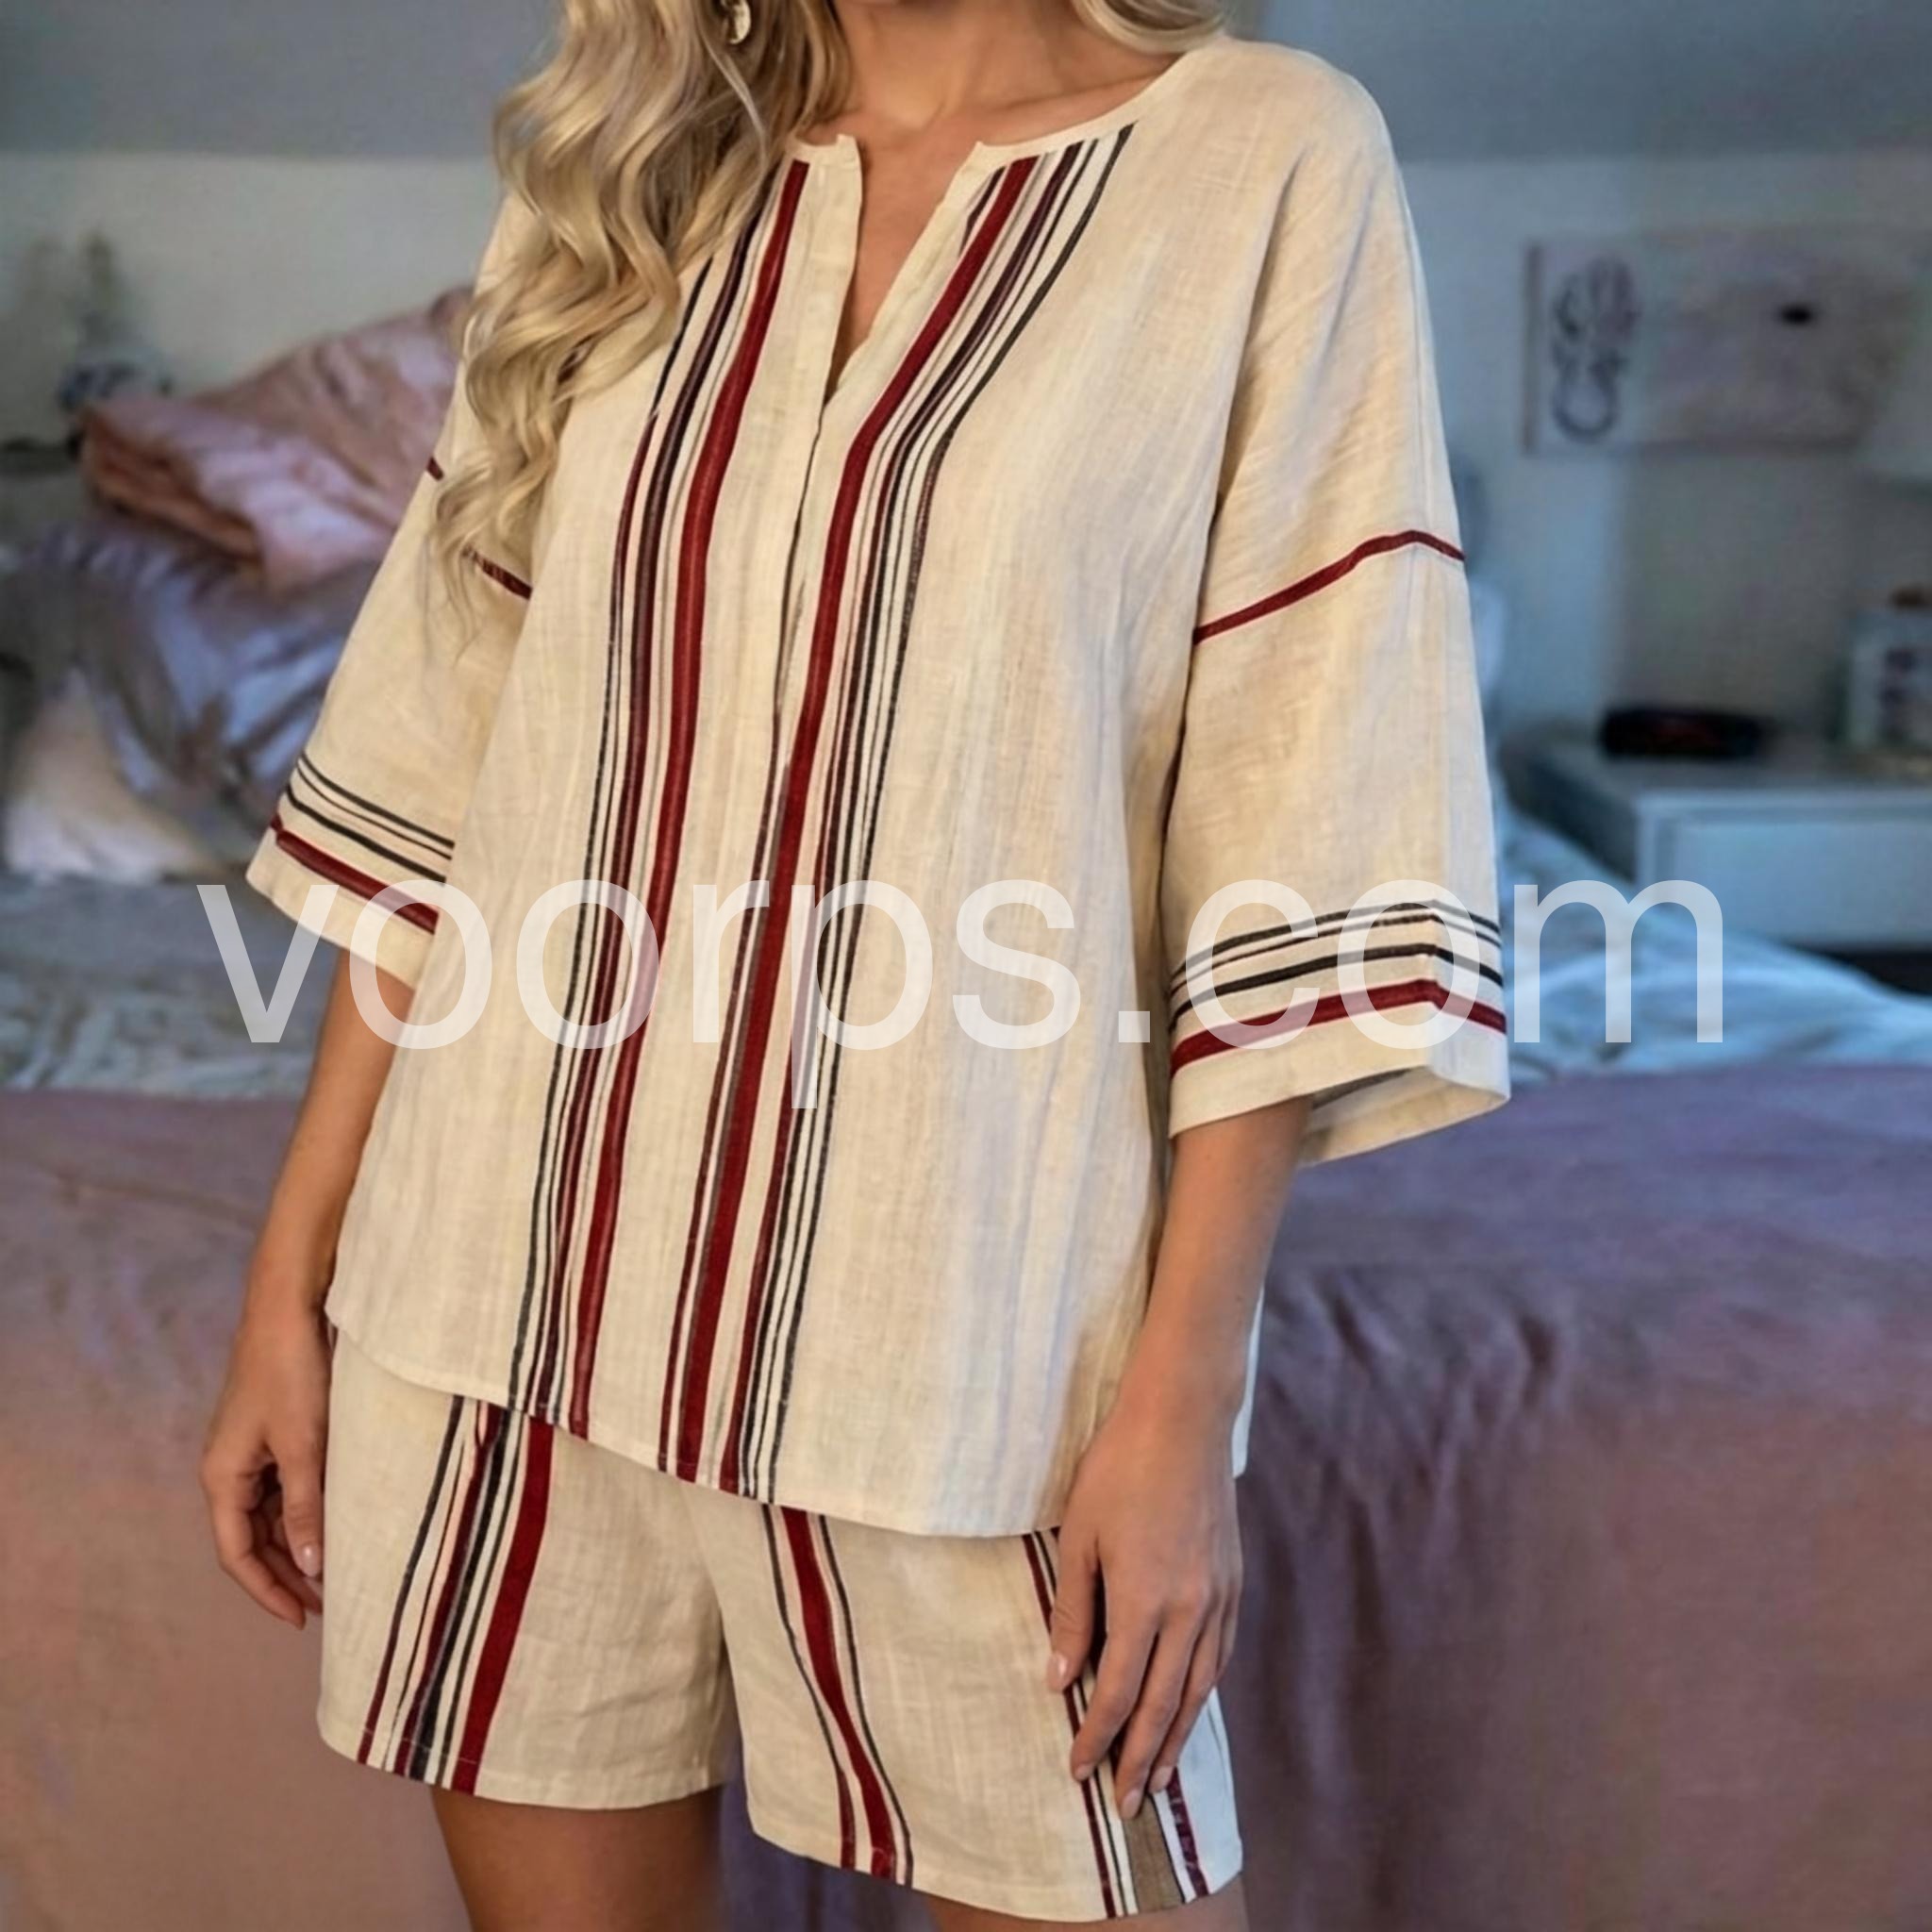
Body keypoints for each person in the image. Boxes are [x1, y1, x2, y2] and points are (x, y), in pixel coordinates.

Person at [201, 1, 1508, 1925]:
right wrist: (289, 1276)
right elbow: (441, 763)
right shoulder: (624, 175)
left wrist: (1179, 1406)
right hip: (490, 1304)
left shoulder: (1263, 155)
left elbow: (1300, 794)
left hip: (970, 1350)